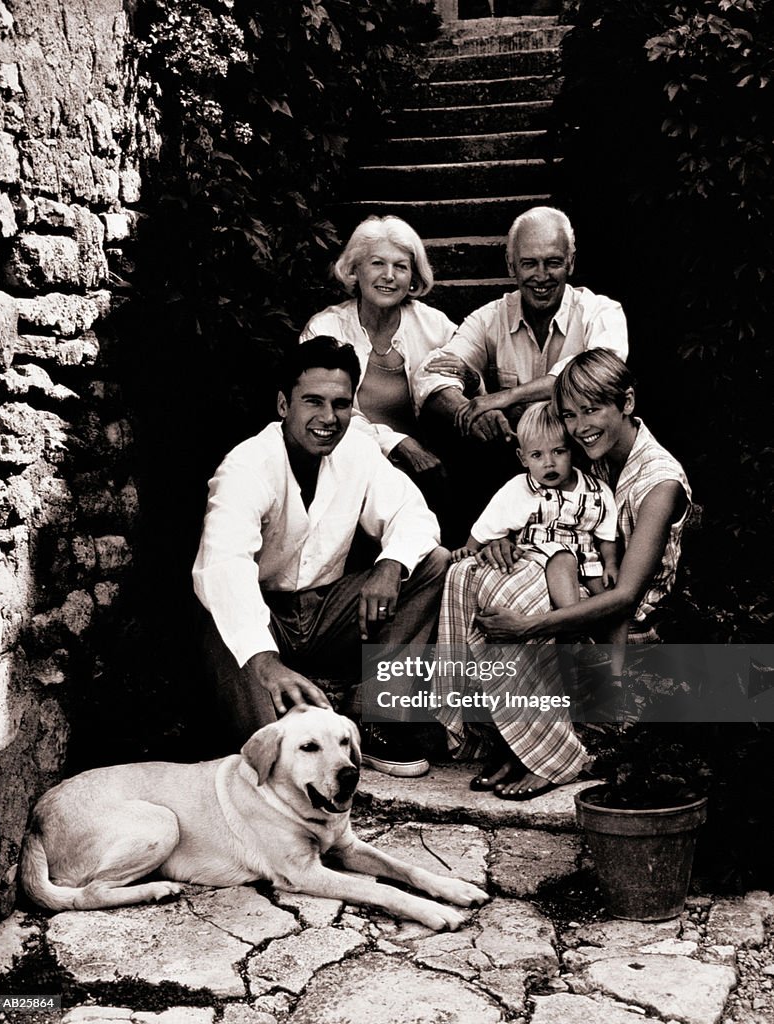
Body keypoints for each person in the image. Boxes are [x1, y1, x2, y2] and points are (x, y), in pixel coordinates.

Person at [431, 349, 691, 800]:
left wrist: (528, 627)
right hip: (575, 595)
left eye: (592, 410)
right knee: (472, 575)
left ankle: (550, 755)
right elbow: (550, 515)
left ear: (626, 403)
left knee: (517, 610)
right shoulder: (593, 454)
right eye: (570, 415)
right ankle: (519, 741)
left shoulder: (659, 481)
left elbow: (626, 596)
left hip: (626, 626)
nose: (580, 426)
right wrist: (504, 540)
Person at [193, 335, 450, 777]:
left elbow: (413, 514)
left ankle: (375, 720)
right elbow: (224, 568)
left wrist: (390, 565)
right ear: (282, 405)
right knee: (273, 768)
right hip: (258, 620)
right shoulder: (246, 467)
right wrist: (265, 663)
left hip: (327, 614)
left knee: (430, 562)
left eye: (341, 404)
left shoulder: (357, 450)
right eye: (313, 402)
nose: (328, 418)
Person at [413, 206, 628, 445]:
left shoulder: (602, 311)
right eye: (529, 264)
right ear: (510, 265)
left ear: (571, 263)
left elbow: (598, 370)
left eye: (553, 262)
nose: (542, 275)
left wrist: (505, 397)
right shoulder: (489, 318)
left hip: (587, 452)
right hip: (517, 456)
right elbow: (428, 374)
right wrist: (472, 412)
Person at [299, 215, 469, 483]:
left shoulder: (435, 325)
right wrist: (397, 443)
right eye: (377, 263)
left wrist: (473, 376)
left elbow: (474, 383)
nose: (389, 276)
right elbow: (319, 410)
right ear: (355, 270)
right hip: (347, 467)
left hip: (431, 467)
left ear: (413, 276)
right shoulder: (326, 329)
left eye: (400, 266)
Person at [451, 402, 622, 663]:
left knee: (613, 604)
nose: (548, 463)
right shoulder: (521, 488)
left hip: (587, 562)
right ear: (522, 458)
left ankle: (615, 670)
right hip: (540, 555)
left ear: (572, 452)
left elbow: (606, 536)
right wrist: (470, 549)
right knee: (562, 556)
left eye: (558, 452)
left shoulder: (597, 491)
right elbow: (487, 526)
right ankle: (573, 633)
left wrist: (610, 564)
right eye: (537, 455)